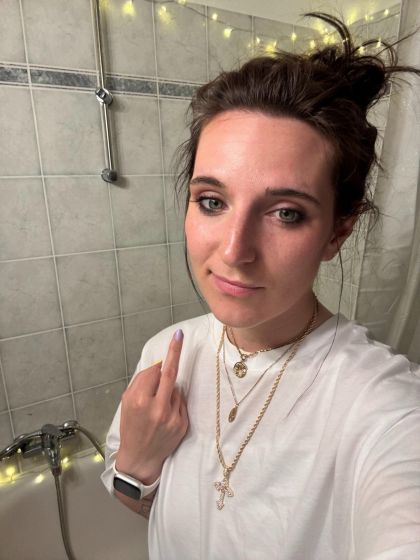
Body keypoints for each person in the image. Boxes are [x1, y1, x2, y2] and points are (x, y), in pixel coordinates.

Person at [101, 13, 420, 559]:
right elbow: (139, 503)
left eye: (286, 213)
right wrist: (136, 462)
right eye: (212, 201)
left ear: (338, 231)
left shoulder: (383, 407)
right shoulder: (165, 355)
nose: (233, 251)